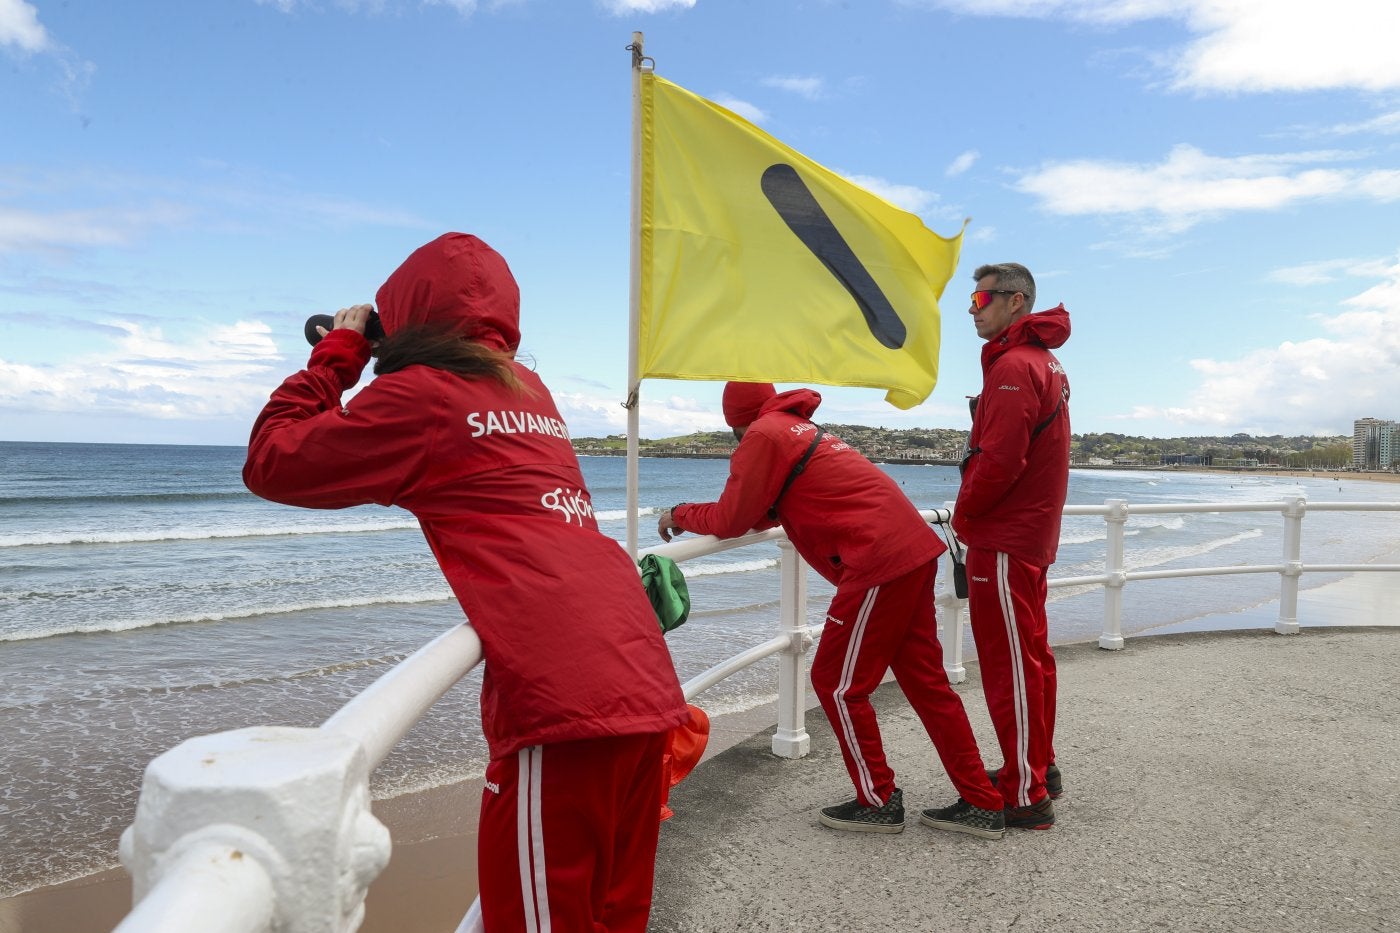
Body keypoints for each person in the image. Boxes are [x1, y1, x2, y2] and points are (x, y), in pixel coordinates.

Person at [243, 233, 690, 932]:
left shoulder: (420, 396)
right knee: (614, 914)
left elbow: (273, 461)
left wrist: (340, 354)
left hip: (566, 701)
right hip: (640, 676)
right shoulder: (529, 390)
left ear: (407, 315)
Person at [658, 382, 1006, 839]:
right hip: (911, 551)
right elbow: (763, 510)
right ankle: (981, 801)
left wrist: (678, 513)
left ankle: (878, 801)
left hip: (877, 562)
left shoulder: (762, 434)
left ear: (733, 422)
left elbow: (732, 519)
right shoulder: (796, 427)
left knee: (837, 685)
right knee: (928, 684)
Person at [954, 261, 1071, 830]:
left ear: (1015, 300)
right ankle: (1039, 767)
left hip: (1004, 536)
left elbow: (1000, 460)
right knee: (1032, 658)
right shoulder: (1043, 362)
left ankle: (1025, 794)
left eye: (981, 298)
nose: (972, 309)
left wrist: (963, 514)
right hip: (1029, 535)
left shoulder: (1014, 366)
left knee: (1009, 667)